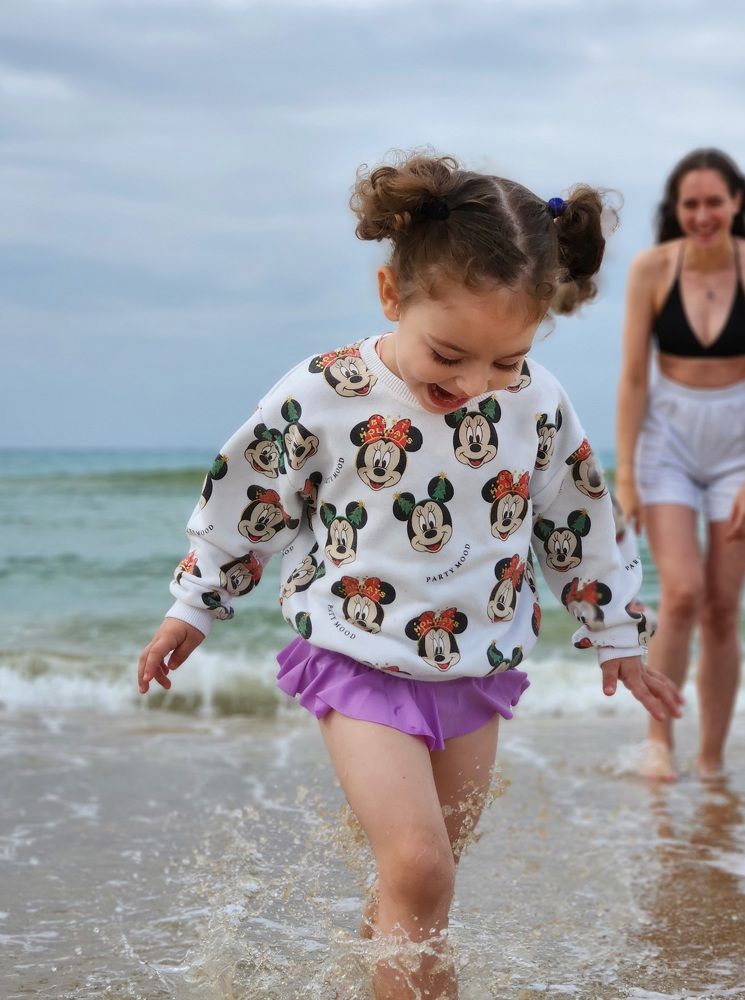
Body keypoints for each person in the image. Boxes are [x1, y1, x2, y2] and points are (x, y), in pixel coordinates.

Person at [138, 152, 682, 999]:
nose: (473, 385)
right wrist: (193, 605)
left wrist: (616, 634)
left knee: (416, 885)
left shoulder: (536, 402)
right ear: (391, 295)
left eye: (504, 361)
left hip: (475, 668)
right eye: (449, 354)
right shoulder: (324, 393)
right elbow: (250, 498)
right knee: (422, 868)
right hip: (355, 657)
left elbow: (576, 520)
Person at [616, 148, 745, 783]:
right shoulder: (651, 268)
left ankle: (712, 759)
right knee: (682, 593)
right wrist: (625, 475)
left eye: (714, 202)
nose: (702, 215)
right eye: (690, 204)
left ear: (736, 203)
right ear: (677, 208)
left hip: (740, 448)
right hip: (667, 442)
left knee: (722, 606)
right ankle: (659, 744)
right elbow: (633, 378)